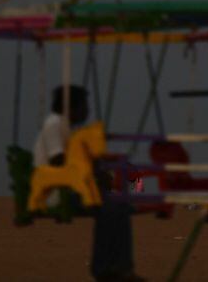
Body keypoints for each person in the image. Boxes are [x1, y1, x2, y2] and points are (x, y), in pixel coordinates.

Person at [33, 84, 143, 282]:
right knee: (111, 208)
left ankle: (118, 267)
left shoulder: (66, 128)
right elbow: (59, 161)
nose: (87, 111)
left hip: (69, 188)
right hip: (56, 194)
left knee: (118, 207)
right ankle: (106, 268)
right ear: (72, 107)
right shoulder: (54, 125)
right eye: (84, 106)